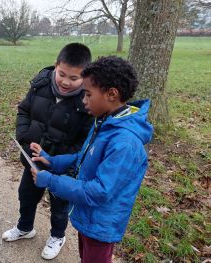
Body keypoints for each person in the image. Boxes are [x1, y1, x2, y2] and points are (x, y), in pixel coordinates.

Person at [30, 56, 153, 263]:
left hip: (101, 225)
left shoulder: (124, 142)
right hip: (88, 216)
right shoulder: (105, 122)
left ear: (111, 94)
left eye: (87, 94)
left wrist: (50, 180)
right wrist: (51, 161)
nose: (83, 100)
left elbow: (100, 191)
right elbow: (85, 156)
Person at [2, 43, 93, 260]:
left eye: (74, 78)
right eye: (62, 74)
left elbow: (84, 142)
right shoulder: (40, 85)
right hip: (33, 160)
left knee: (59, 206)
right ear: (55, 67)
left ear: (85, 77)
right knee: (26, 195)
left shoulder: (88, 102)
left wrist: (57, 159)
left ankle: (57, 236)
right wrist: (24, 135)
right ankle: (25, 227)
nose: (66, 82)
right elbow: (24, 110)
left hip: (61, 168)